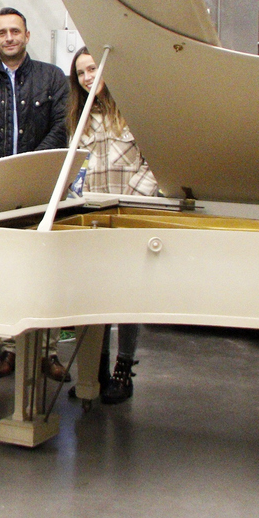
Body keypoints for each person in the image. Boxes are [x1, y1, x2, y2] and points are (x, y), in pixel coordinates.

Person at [0, 7, 69, 378]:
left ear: (27, 35)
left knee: (45, 270)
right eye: (2, 32)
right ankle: (7, 348)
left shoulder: (53, 78)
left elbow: (61, 128)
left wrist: (26, 172)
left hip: (41, 190)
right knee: (4, 273)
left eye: (15, 31)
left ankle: (48, 351)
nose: (9, 37)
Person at [66, 46, 157, 404]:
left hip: (128, 213)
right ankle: (94, 370)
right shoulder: (79, 117)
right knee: (95, 295)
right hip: (93, 217)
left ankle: (123, 368)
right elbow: (74, 167)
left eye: (92, 70)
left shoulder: (134, 113)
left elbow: (154, 164)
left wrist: (130, 202)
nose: (88, 78)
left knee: (127, 297)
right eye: (82, 74)